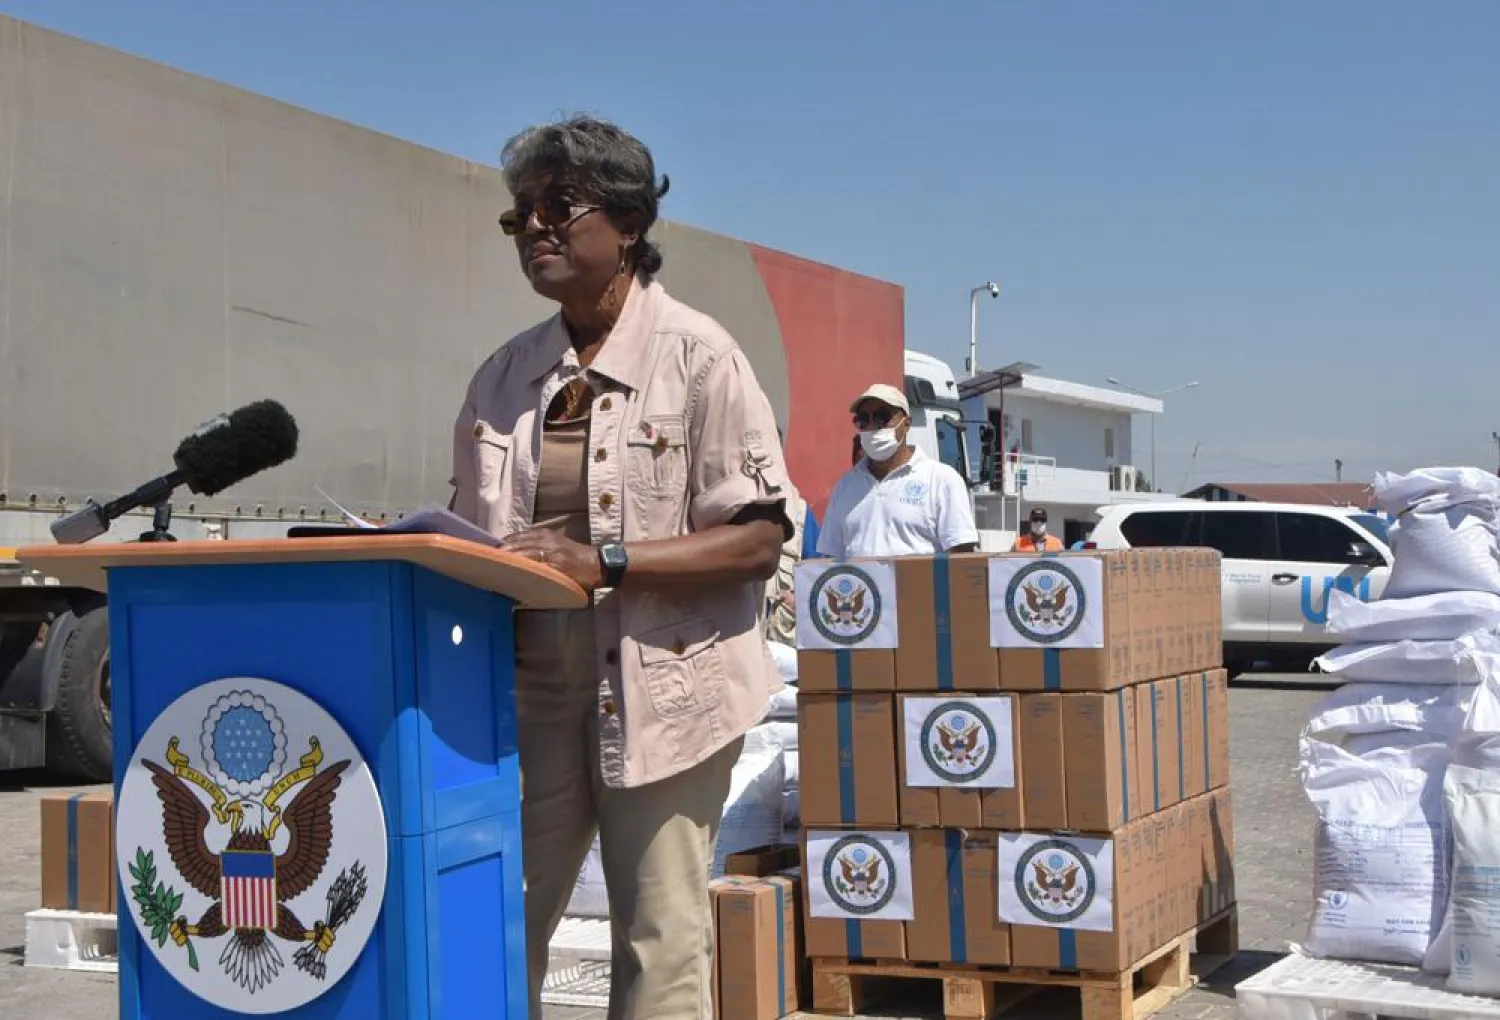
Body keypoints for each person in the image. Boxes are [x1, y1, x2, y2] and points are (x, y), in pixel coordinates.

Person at [448, 115, 790, 1020]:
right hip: (528, 691)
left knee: (659, 942)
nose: (535, 229)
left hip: (667, 686)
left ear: (629, 223)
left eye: (560, 208)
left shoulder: (699, 357)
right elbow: (464, 527)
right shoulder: (503, 377)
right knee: (492, 917)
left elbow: (758, 538)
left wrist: (603, 560)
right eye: (520, 215)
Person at [818, 383, 979, 559]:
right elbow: (830, 557)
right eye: (863, 419)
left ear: (907, 423)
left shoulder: (941, 480)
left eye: (882, 417)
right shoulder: (845, 487)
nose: (872, 426)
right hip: (863, 587)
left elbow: (962, 557)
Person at [763, 429, 820, 645]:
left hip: (782, 641)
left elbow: (819, 572)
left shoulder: (800, 513)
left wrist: (797, 600)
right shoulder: (720, 510)